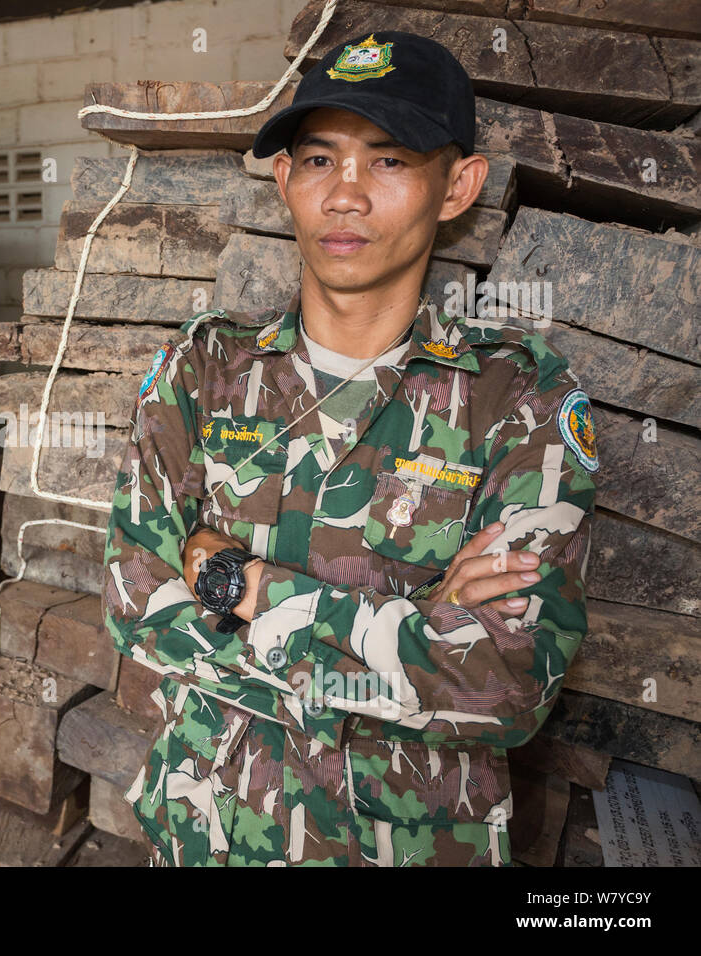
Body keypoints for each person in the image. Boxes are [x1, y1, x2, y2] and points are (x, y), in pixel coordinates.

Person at [100, 30, 598, 867]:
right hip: (206, 835)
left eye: (391, 160)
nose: (347, 196)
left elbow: (509, 684)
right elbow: (130, 598)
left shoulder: (519, 399)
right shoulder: (208, 366)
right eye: (321, 160)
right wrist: (417, 624)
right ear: (287, 180)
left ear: (458, 186)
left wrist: (239, 582)